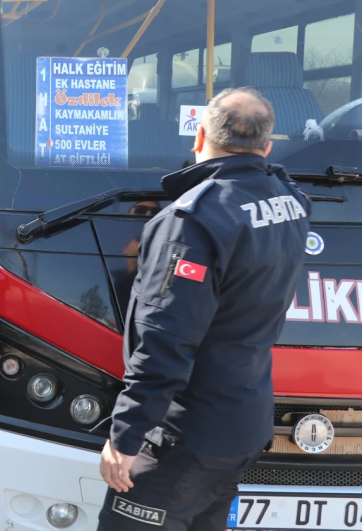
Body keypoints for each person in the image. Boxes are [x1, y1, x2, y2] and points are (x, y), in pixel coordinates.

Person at [99, 87, 311, 531]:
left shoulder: (192, 221)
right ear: (267, 146)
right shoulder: (290, 201)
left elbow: (165, 341)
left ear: (198, 136)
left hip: (184, 434)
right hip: (243, 424)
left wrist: (126, 436)